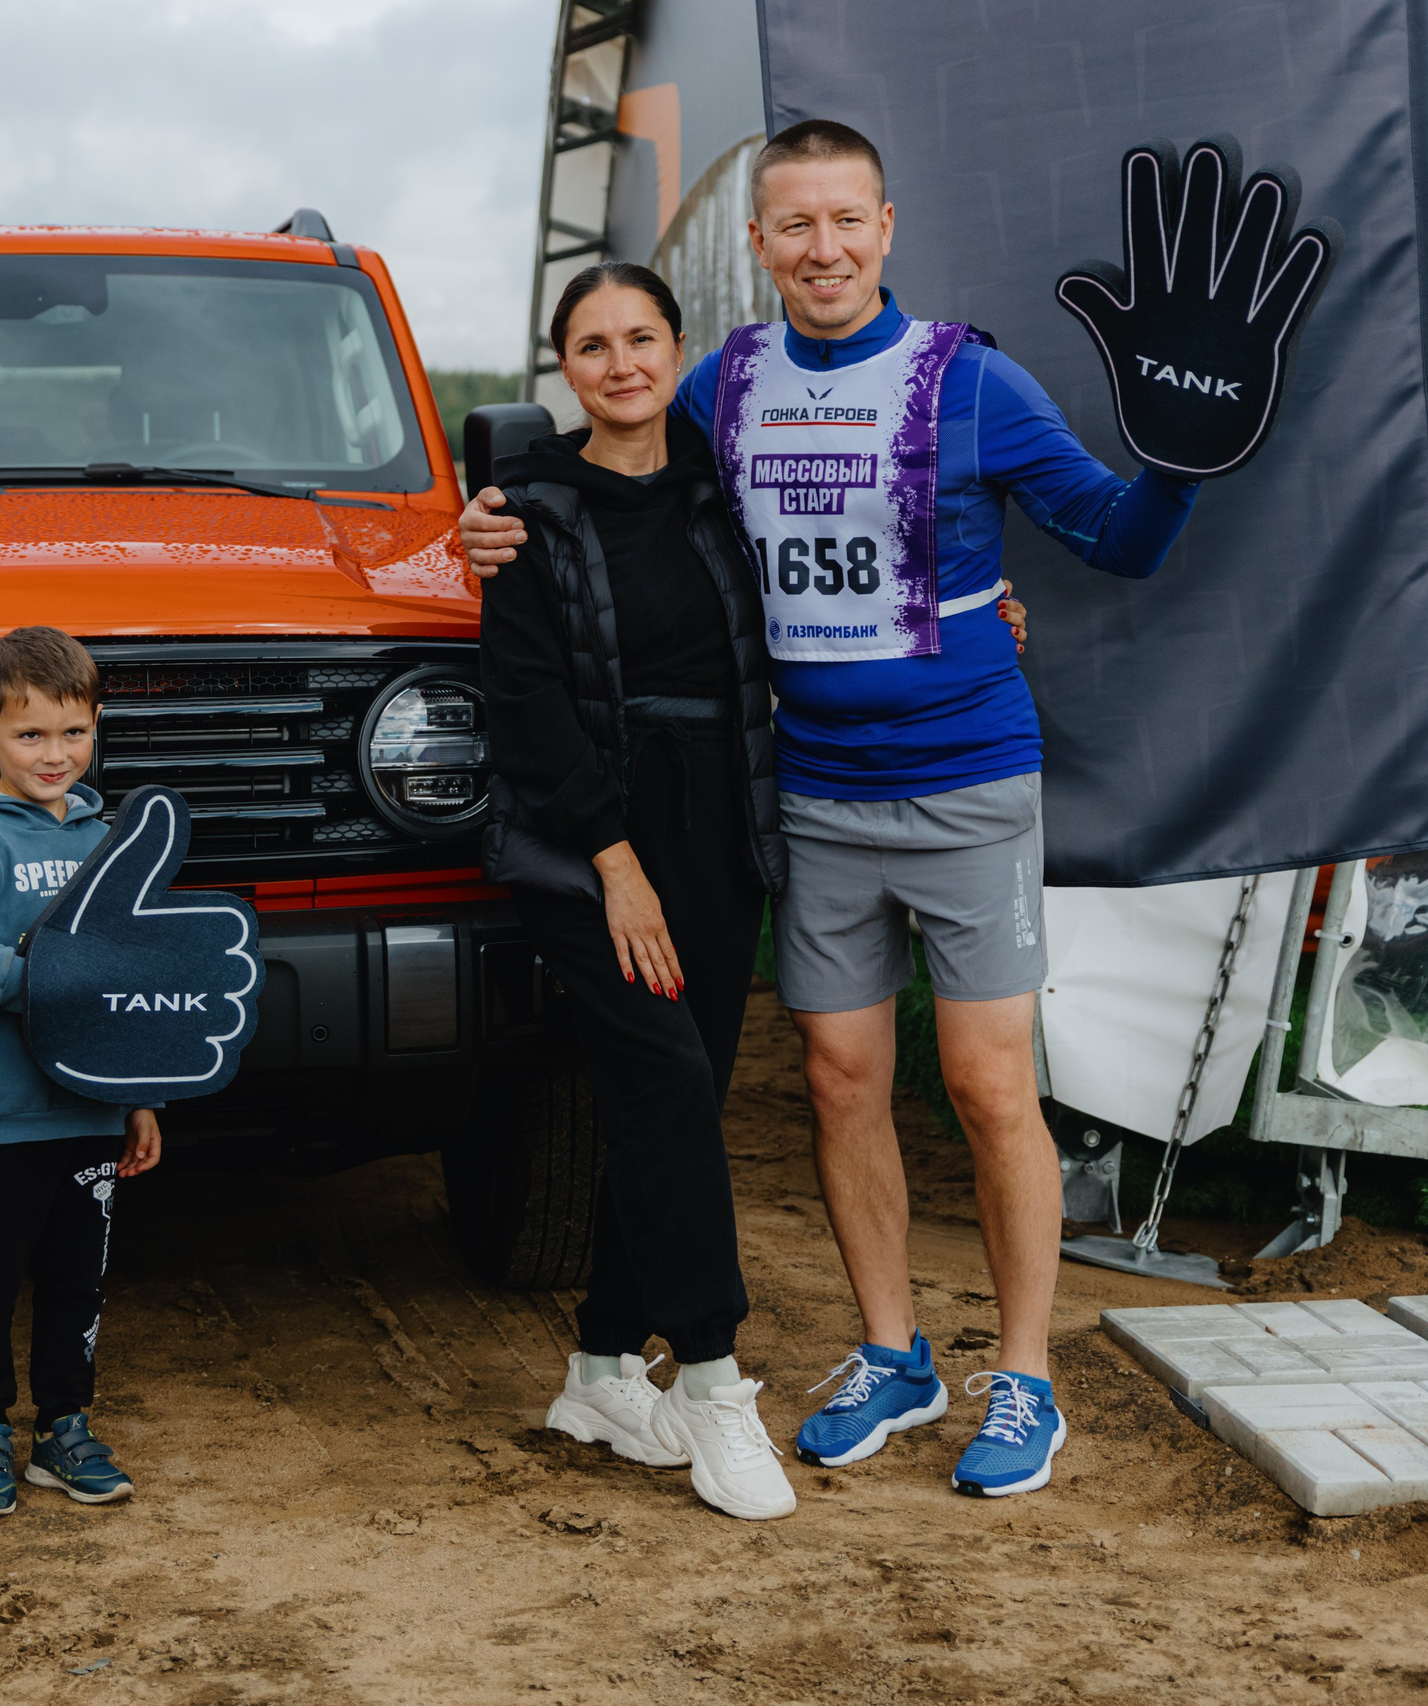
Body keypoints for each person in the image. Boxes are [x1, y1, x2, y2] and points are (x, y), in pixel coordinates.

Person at [463, 121, 1197, 1498]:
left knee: (985, 1084)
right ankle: (892, 1351)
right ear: (758, 247)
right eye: (793, 226)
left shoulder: (971, 380)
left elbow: (1120, 538)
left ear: (888, 224)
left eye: (845, 220)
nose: (822, 249)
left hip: (967, 774)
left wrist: (1185, 458)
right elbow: (614, 467)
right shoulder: (723, 385)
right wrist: (490, 518)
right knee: (840, 1081)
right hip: (808, 789)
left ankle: (1026, 1377)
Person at [484, 261, 812, 1521]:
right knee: (665, 1080)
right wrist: (613, 862)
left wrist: (978, 601)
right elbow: (522, 707)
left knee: (677, 1092)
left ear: (679, 348)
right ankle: (718, 1387)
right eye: (590, 345)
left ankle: (600, 1364)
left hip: (719, 820)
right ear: (561, 368)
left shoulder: (722, 490)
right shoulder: (526, 507)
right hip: (588, 841)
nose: (619, 363)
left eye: (640, 338)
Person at [0, 625, 164, 1519]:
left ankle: (63, 1428)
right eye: (30, 735)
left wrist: (137, 1097)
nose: (55, 755)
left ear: (96, 727)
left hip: (89, 1111)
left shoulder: (108, 840)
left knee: (76, 1281)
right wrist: (44, 988)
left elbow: (127, 975)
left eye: (74, 733)